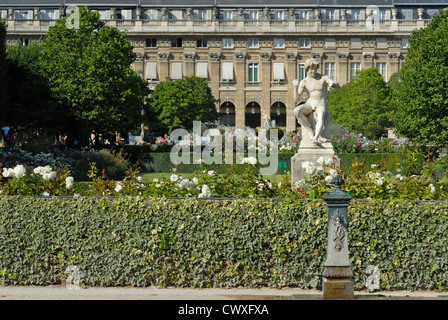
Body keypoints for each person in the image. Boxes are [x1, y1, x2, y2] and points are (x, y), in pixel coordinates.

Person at [292, 58, 340, 144]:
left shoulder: (323, 78)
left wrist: (332, 84)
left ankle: (316, 137)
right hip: (310, 103)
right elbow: (296, 98)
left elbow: (336, 85)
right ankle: (310, 131)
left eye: (314, 69)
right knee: (297, 111)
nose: (313, 71)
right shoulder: (304, 81)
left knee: (321, 115)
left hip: (320, 102)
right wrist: (295, 87)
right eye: (311, 69)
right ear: (307, 69)